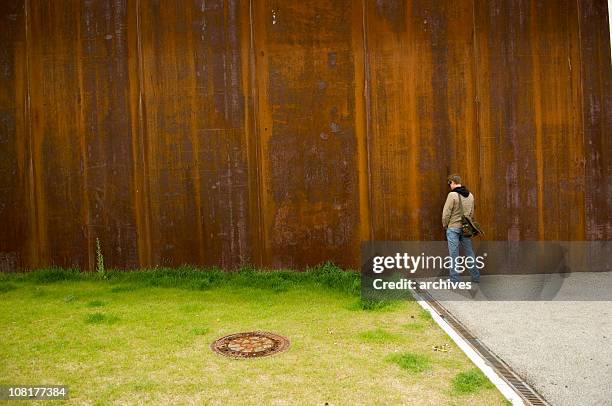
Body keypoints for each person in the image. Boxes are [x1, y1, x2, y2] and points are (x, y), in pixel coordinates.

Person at [442, 174, 480, 283]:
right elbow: (472, 212)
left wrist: (445, 225)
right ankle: (475, 276)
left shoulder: (452, 195)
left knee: (454, 254)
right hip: (465, 229)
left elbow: (446, 213)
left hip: (453, 228)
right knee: (469, 253)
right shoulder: (470, 195)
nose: (450, 186)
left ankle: (454, 280)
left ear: (452, 182)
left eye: (450, 183)